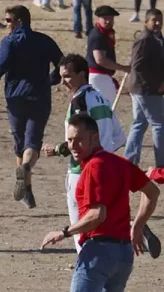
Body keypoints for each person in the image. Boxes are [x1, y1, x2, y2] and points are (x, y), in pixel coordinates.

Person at [40, 113, 158, 292]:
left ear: (95, 137)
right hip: (123, 255)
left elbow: (97, 214)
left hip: (98, 253)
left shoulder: (93, 168)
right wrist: (138, 226)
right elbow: (152, 191)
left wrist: (64, 232)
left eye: (79, 138)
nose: (74, 145)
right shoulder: (119, 163)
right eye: (69, 140)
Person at [0, 5, 62, 209]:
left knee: (19, 142)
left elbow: (0, 66)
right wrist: (52, 80)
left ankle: (25, 188)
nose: (6, 25)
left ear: (19, 22)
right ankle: (26, 172)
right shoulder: (44, 40)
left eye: (8, 21)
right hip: (39, 97)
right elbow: (62, 62)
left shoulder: (9, 42)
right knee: (32, 143)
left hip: (15, 99)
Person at [42, 54, 128, 251]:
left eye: (67, 76)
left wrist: (57, 150)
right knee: (102, 224)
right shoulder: (102, 99)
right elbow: (120, 138)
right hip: (105, 169)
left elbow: (77, 139)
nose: (62, 82)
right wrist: (103, 152)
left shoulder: (79, 102)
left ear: (82, 74)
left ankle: (87, 275)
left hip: (82, 173)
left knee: (82, 231)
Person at [124, 9, 164, 169]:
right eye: (154, 20)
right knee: (159, 124)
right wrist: (158, 84)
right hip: (146, 89)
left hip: (142, 88)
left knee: (139, 124)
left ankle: (130, 161)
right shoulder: (145, 40)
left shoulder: (156, 38)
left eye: (160, 20)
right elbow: (137, 66)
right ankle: (161, 164)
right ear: (146, 21)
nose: (158, 23)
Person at [86, 5, 130, 104]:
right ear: (99, 18)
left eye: (110, 18)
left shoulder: (106, 32)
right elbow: (101, 60)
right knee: (103, 106)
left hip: (102, 76)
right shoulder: (98, 35)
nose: (108, 21)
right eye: (105, 18)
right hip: (98, 77)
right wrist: (123, 68)